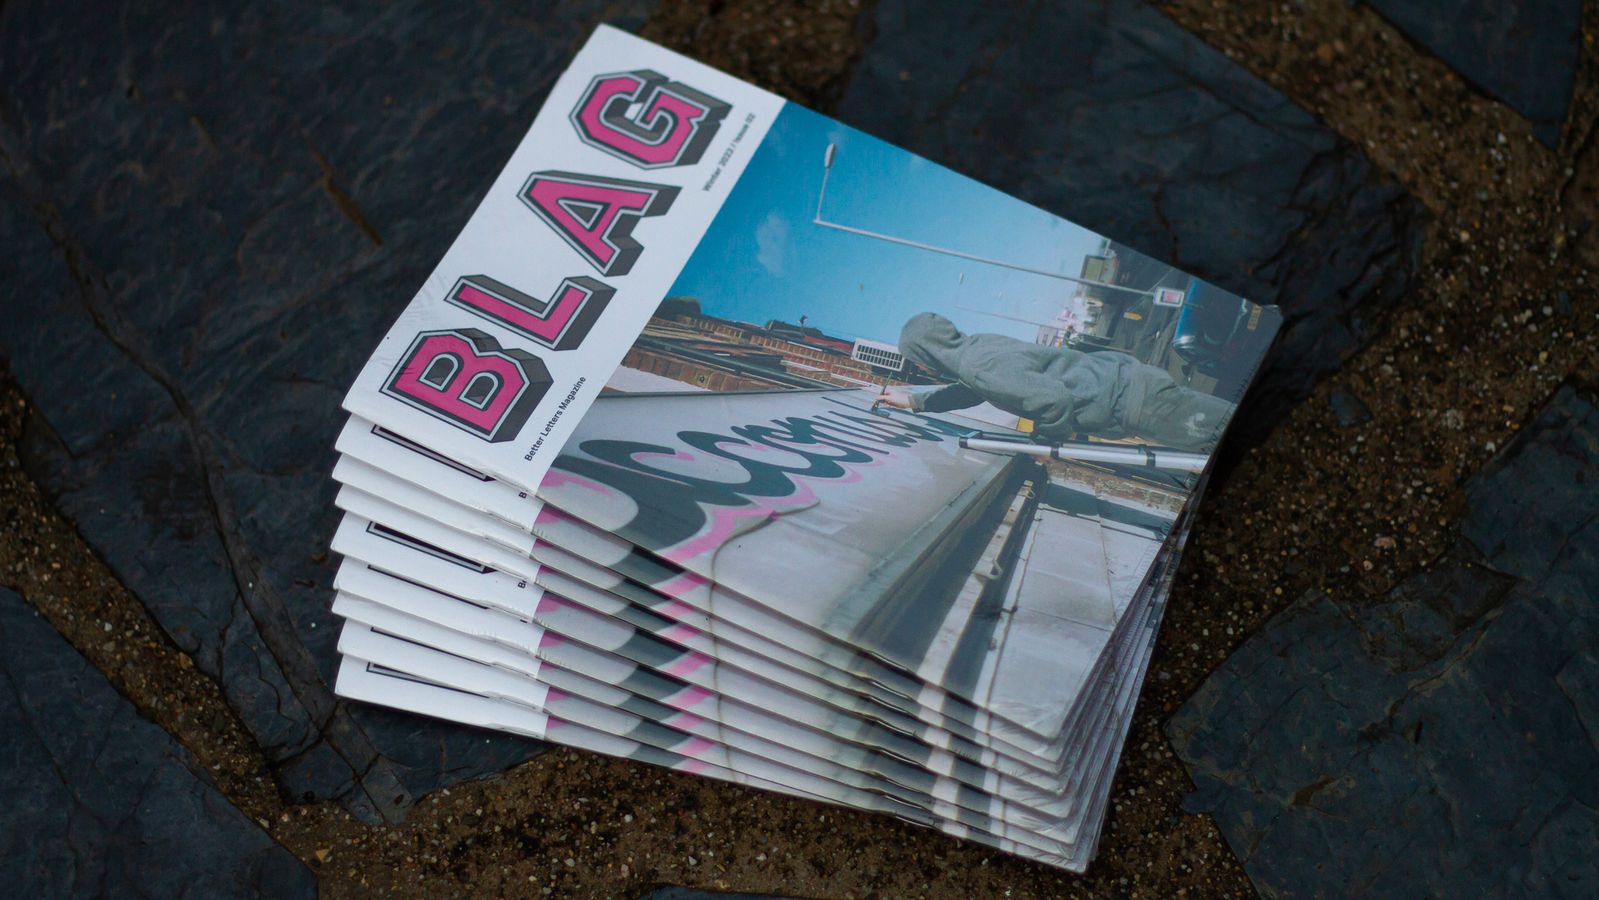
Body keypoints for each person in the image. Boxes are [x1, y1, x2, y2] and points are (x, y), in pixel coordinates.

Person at [874, 312, 1235, 451]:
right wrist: (916, 401)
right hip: (1130, 385)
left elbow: (1055, 401)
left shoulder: (979, 367)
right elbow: (971, 393)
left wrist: (1045, 440)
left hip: (1133, 401)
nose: (921, 369)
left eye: (918, 361)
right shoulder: (979, 348)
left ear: (927, 354)